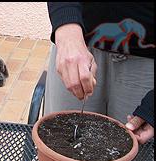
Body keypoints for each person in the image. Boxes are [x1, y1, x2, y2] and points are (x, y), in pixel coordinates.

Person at [45, 2, 154, 144]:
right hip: (76, 49)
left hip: (147, 66)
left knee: (136, 157)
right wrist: (66, 29)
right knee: (58, 145)